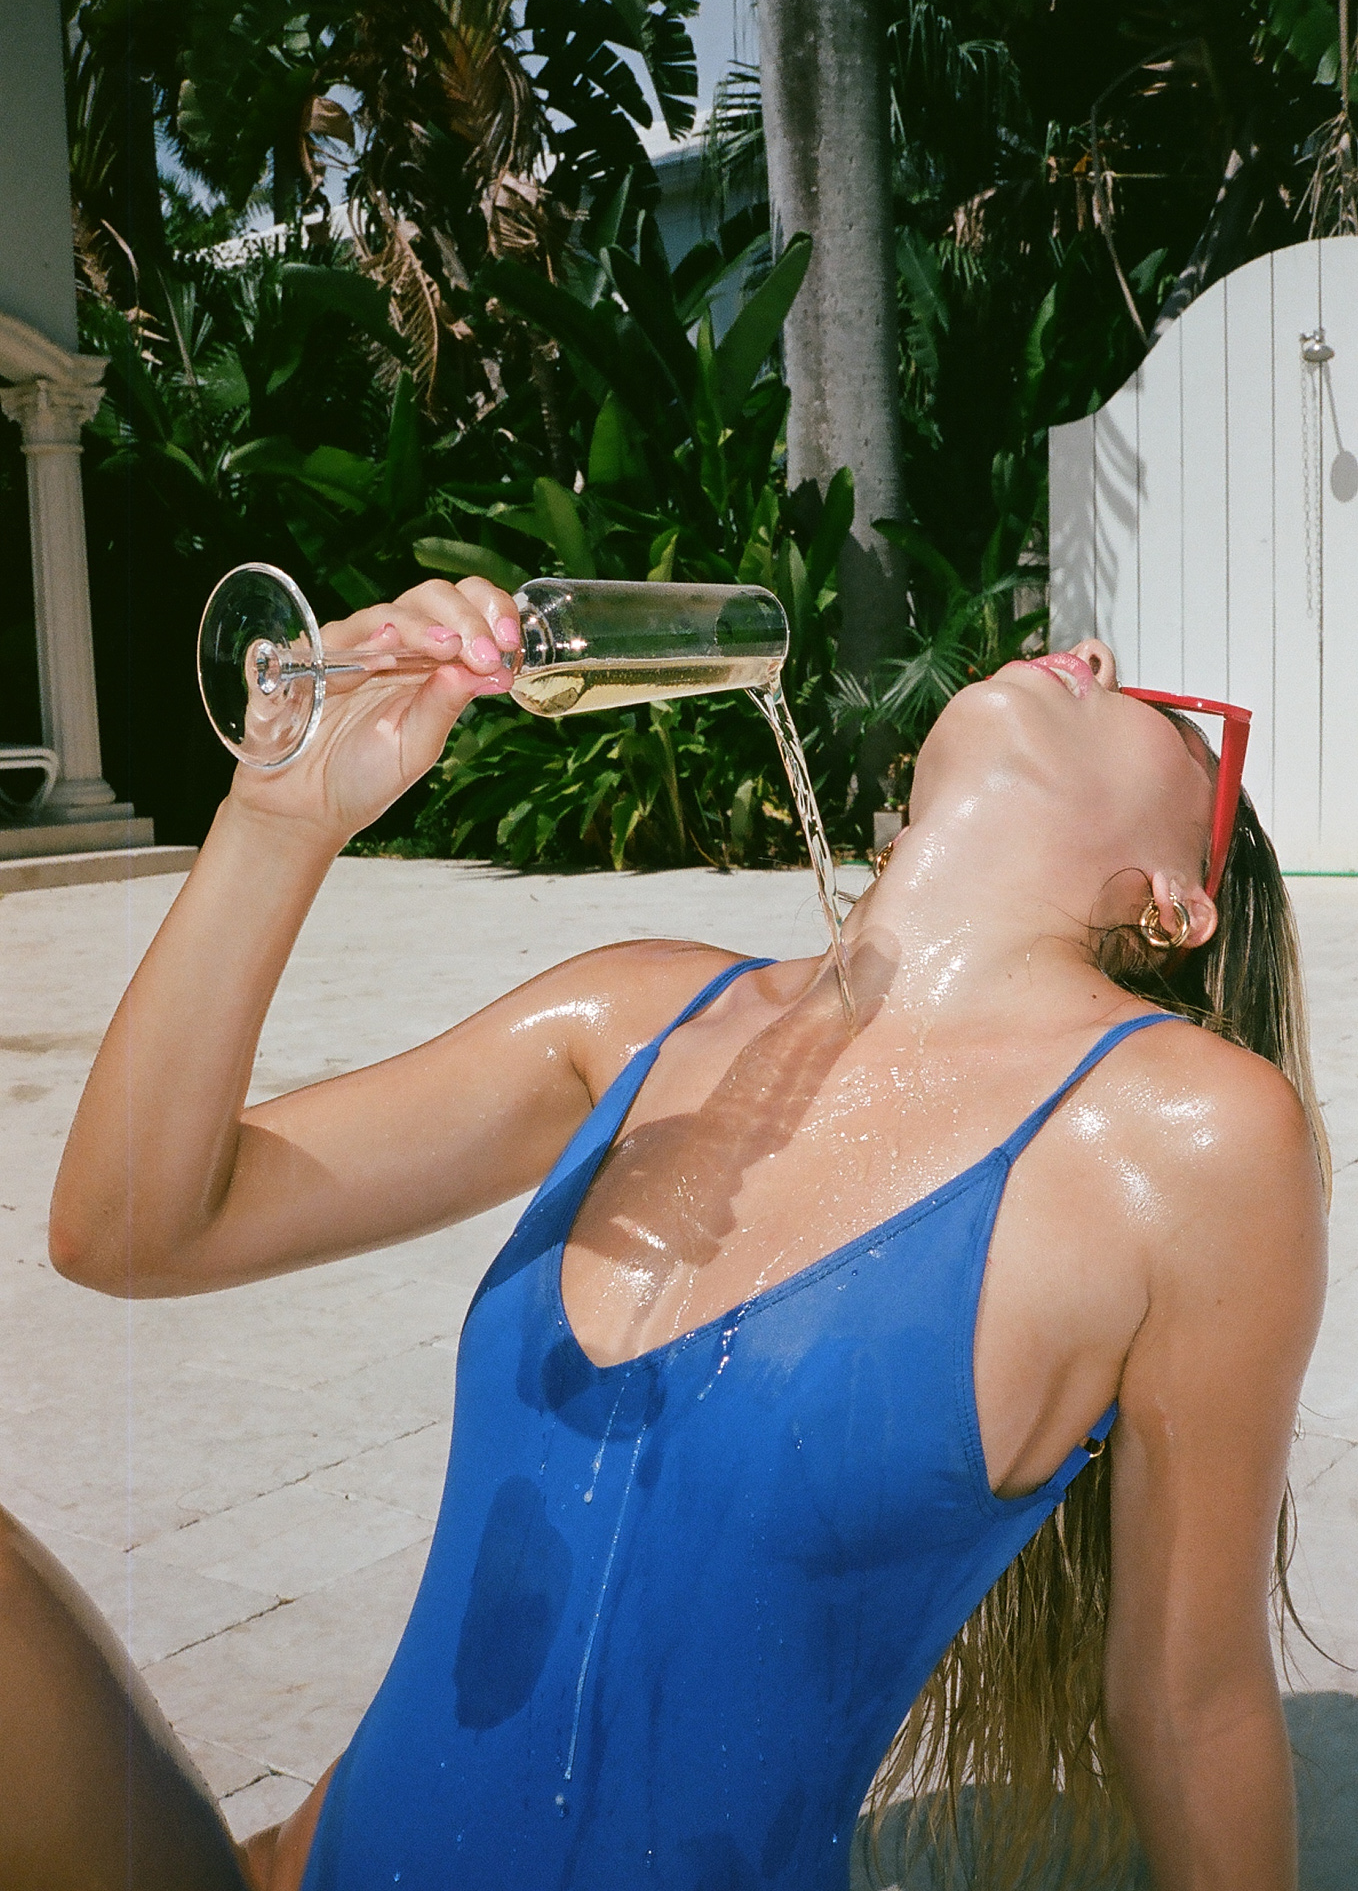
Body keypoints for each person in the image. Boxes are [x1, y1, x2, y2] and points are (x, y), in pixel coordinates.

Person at [4, 574, 1326, 1891]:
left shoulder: (1184, 1135)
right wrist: (278, 818)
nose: (1089, 651)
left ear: (1176, 900)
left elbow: (1189, 1704)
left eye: (1167, 716)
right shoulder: (636, 1015)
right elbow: (131, 1228)